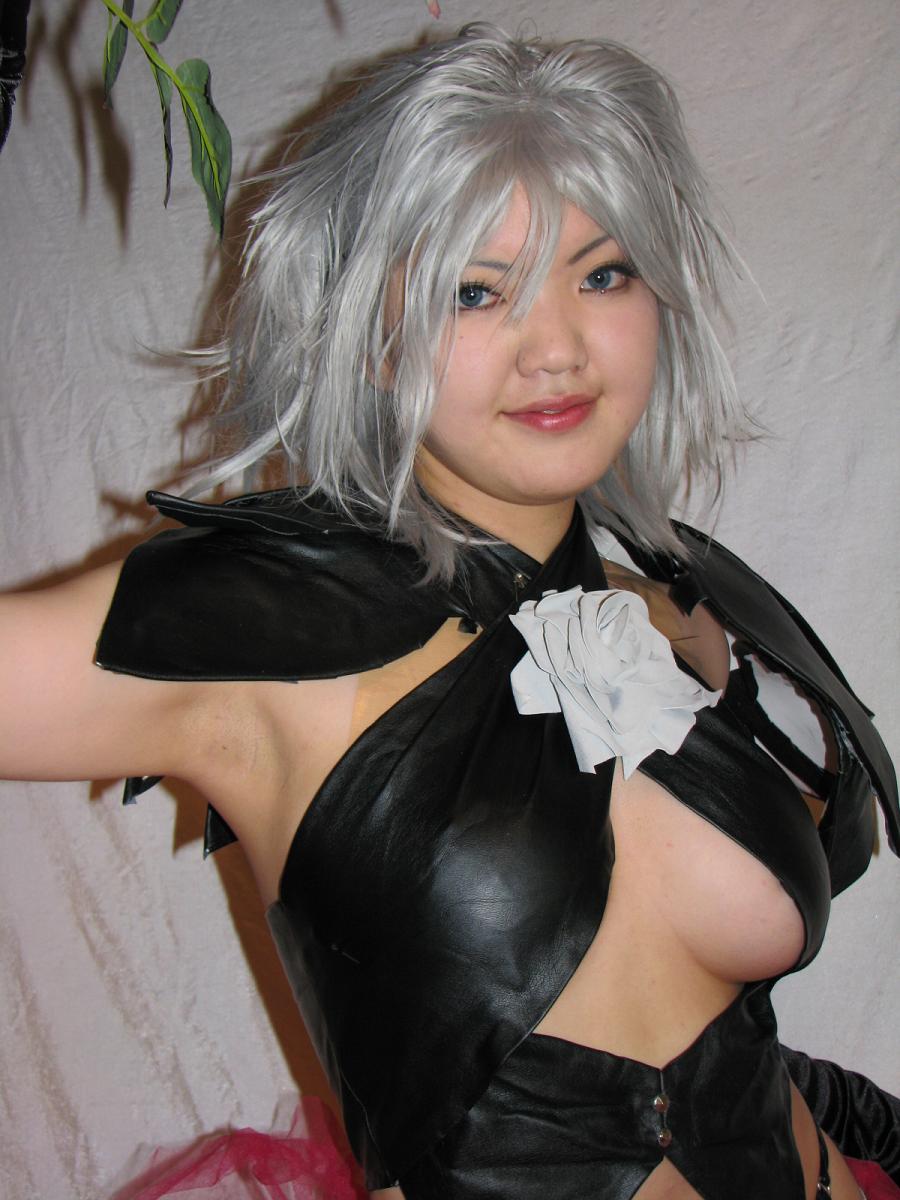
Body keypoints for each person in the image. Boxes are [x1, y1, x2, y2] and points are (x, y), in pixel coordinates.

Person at [2, 24, 898, 1200]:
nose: (557, 348)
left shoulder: (678, 607)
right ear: (368, 339)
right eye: (475, 292)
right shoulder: (249, 635)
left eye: (603, 273)